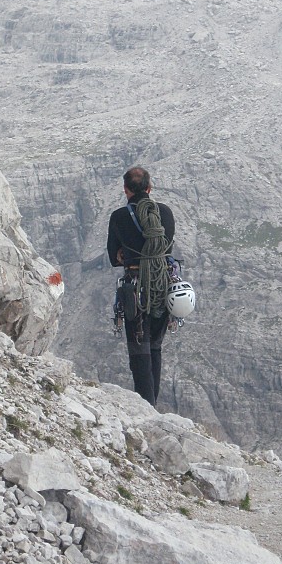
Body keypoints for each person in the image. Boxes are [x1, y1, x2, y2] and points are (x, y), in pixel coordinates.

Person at [107, 167, 175, 406]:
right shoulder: (165, 213)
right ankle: (152, 404)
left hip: (134, 289)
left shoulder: (118, 217)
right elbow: (167, 249)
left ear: (126, 190)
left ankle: (146, 407)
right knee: (155, 346)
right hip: (162, 286)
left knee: (139, 350)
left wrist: (128, 254)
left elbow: (113, 258)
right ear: (150, 188)